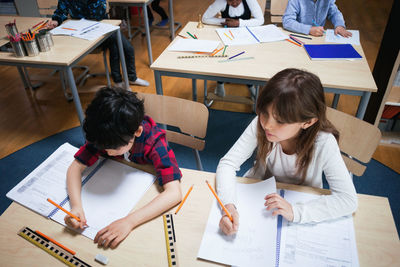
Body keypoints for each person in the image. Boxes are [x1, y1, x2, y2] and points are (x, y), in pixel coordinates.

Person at [216, 68, 357, 235]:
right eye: (264, 113)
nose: (267, 124)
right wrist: (228, 205)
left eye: (280, 121)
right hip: (258, 199)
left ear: (308, 122)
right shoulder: (260, 126)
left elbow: (348, 200)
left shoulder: (324, 142)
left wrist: (296, 212)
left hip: (302, 203)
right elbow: (228, 163)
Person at [65, 87, 182, 248]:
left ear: (138, 132)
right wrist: (76, 206)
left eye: (114, 149)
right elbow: (75, 167)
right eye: (104, 148)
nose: (107, 152)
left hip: (141, 197)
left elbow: (174, 193)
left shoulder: (154, 142)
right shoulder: (105, 134)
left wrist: (129, 221)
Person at [48, 0, 149, 88]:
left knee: (125, 48)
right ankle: (123, 80)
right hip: (80, 33)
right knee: (117, 46)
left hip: (100, 27)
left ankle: (126, 79)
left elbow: (98, 13)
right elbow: (60, 11)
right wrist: (56, 20)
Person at [202, 0, 264, 97]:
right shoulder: (221, 2)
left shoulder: (250, 1)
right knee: (223, 60)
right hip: (226, 37)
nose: (234, 3)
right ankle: (220, 83)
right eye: (230, 1)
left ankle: (250, 84)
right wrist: (223, 21)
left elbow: (260, 20)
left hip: (246, 38)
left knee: (246, 61)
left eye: (237, 0)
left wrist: (238, 23)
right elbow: (205, 18)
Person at [282, 0, 352, 37]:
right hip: (300, 35)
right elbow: (287, 21)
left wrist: (339, 25)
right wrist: (309, 30)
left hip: (319, 37)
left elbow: (335, 13)